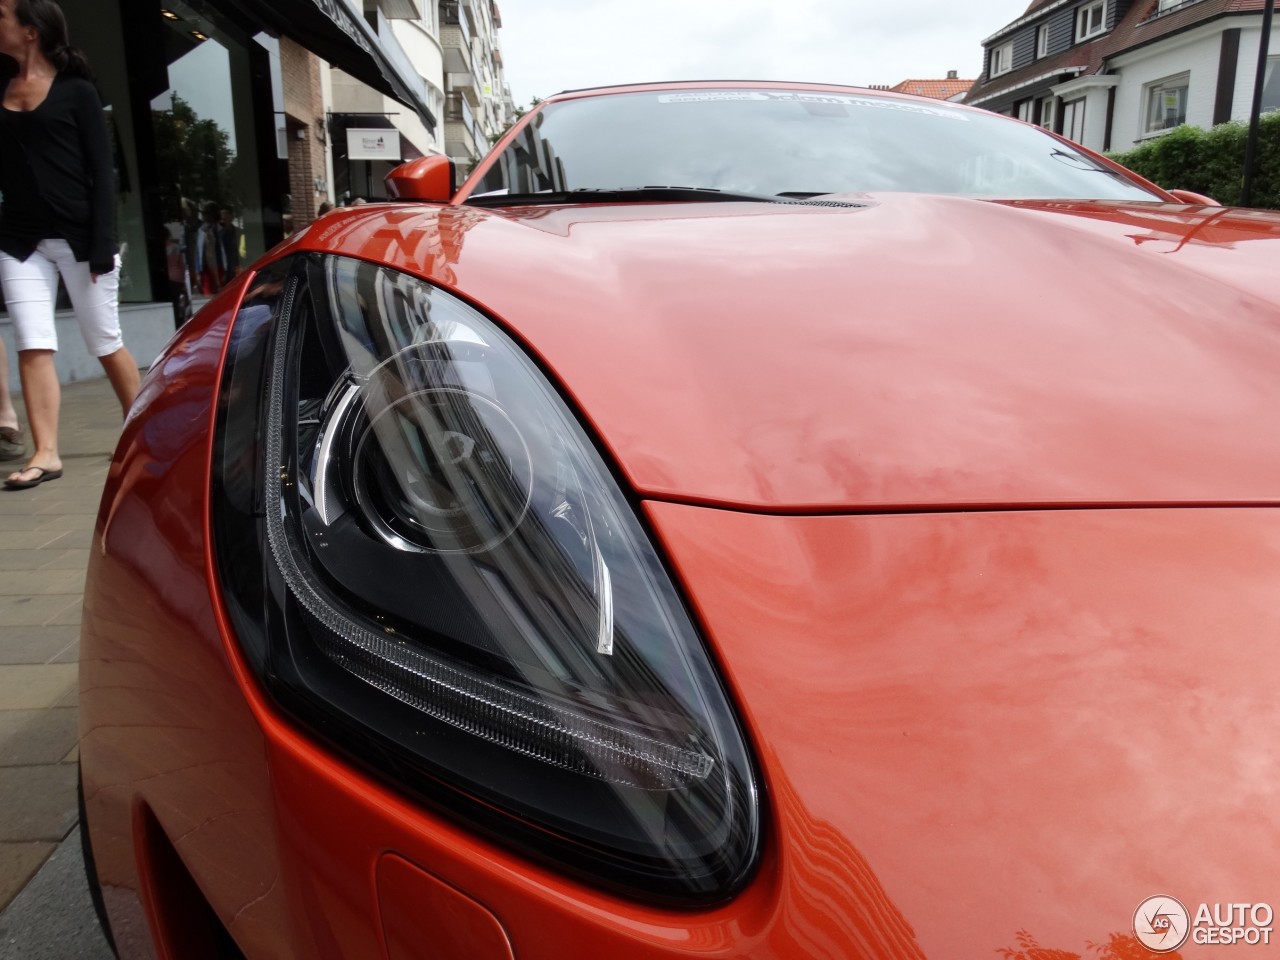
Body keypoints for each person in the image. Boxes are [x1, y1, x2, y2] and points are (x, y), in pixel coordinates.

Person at [0, 0, 139, 489]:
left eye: (2, 16)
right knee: (32, 340)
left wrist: (101, 243)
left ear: (31, 31)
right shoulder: (1, 88)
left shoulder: (77, 92)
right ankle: (46, 453)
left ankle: (142, 432)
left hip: (81, 239)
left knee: (104, 340)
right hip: (19, 239)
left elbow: (103, 172)